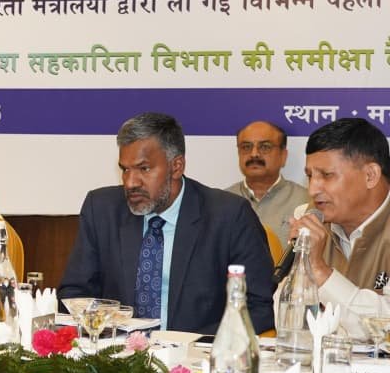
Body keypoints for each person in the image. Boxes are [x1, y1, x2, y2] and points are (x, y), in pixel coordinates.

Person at [59, 112, 274, 334]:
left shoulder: (229, 216)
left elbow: (259, 308)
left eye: (144, 169)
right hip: (118, 350)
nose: (130, 183)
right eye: (125, 169)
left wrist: (201, 343)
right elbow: (75, 295)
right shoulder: (102, 209)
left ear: (176, 166)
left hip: (196, 351)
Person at [290, 118, 390, 336]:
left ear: (370, 175)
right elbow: (289, 322)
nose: (313, 189)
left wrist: (319, 271)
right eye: (310, 176)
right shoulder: (310, 218)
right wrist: (302, 268)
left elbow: (384, 328)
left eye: (327, 175)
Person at [225, 120, 310, 248]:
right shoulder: (222, 202)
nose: (254, 154)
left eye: (265, 147)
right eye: (246, 147)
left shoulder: (305, 201)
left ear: (283, 155)